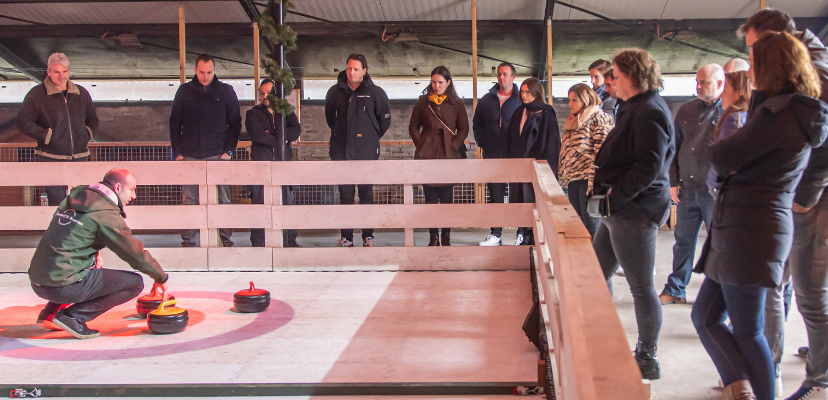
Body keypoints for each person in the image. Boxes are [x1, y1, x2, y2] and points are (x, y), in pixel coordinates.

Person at [691, 31, 826, 400]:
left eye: (754, 63)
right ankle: (744, 385)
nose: (749, 72)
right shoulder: (783, 110)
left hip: (752, 230)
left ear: (771, 67)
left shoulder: (780, 115)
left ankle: (761, 393)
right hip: (740, 227)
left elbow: (721, 157)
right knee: (704, 318)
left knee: (749, 331)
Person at [739, 9, 828, 400]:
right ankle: (767, 373)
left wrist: (806, 198)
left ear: (773, 39)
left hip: (809, 198)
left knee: (810, 294)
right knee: (773, 285)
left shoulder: (815, 68)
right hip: (784, 194)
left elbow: (822, 139)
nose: (752, 57)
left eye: (755, 47)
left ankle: (819, 381)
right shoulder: (785, 67)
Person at [592, 48, 675, 380]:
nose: (611, 80)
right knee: (595, 272)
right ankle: (598, 332)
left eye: (615, 74)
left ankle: (647, 355)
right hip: (619, 210)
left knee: (641, 286)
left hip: (634, 210)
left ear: (633, 76)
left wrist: (616, 196)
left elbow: (649, 167)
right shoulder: (635, 107)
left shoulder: (650, 111)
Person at [29, 168, 169, 339]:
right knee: (134, 283)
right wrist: (159, 277)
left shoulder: (77, 197)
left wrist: (94, 251)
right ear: (118, 187)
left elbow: (68, 232)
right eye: (132, 190)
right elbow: (133, 251)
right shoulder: (105, 214)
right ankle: (73, 317)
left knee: (89, 265)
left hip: (38, 279)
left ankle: (49, 314)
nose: (134, 196)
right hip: (60, 286)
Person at [659, 64, 725, 305]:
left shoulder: (730, 111)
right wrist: (673, 182)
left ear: (719, 84)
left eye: (704, 82)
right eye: (697, 81)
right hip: (687, 188)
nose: (698, 86)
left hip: (714, 192)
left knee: (718, 245)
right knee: (682, 243)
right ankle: (675, 289)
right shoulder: (686, 110)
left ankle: (719, 297)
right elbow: (674, 148)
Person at [169, 54, 241, 248]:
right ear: (195, 70)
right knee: (191, 199)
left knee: (222, 198)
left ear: (214, 70)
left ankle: (225, 240)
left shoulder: (226, 91)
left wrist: (229, 151)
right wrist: (177, 152)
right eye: (201, 72)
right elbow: (175, 121)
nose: (205, 76)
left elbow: (235, 122)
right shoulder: (184, 91)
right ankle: (188, 241)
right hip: (189, 153)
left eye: (209, 72)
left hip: (218, 153)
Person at [325, 53, 391, 248]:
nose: (351, 72)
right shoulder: (335, 92)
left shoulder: (375, 92)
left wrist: (370, 139)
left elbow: (384, 121)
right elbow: (331, 119)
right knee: (345, 194)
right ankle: (346, 237)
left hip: (366, 152)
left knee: (366, 194)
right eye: (349, 68)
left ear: (364, 70)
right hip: (341, 150)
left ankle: (368, 236)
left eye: (355, 69)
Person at [16, 53, 99, 206]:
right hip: (50, 156)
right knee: (56, 200)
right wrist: (45, 135)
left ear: (69, 71)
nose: (61, 76)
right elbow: (23, 122)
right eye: (56, 72)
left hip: (80, 155)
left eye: (65, 71)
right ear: (48, 72)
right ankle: (60, 229)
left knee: (81, 199)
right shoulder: (36, 94)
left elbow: (92, 119)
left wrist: (86, 134)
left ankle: (78, 230)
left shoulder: (81, 94)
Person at [409, 66, 469, 246]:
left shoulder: (457, 103)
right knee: (430, 197)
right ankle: (433, 236)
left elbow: (464, 128)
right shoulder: (423, 102)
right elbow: (413, 126)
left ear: (448, 82)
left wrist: (454, 144)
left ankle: (446, 235)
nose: (436, 86)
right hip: (427, 154)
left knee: (447, 198)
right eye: (434, 82)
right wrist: (422, 144)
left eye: (440, 82)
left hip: (448, 154)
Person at [501, 78, 560, 246]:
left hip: (537, 166)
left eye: (528, 92)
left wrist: (546, 169)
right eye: (523, 92)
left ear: (536, 93)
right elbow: (510, 139)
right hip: (519, 166)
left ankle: (535, 239)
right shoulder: (519, 112)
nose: (524, 95)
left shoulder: (546, 113)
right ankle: (524, 235)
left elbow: (551, 143)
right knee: (521, 201)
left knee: (535, 202)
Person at [245, 78, 301, 247]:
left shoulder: (285, 111)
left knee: (287, 203)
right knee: (259, 203)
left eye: (268, 92)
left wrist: (272, 135)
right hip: (261, 167)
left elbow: (296, 130)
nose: (265, 96)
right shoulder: (253, 114)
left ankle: (289, 240)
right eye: (262, 93)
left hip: (283, 165)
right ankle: (258, 243)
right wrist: (281, 138)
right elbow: (257, 136)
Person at [474, 62, 522, 247]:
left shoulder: (521, 99)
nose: (502, 77)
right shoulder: (486, 100)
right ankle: (496, 234)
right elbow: (477, 124)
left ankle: (521, 233)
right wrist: (483, 143)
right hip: (492, 155)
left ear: (513, 77)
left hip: (515, 156)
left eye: (505, 74)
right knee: (495, 195)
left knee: (518, 195)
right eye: (500, 74)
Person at [559, 83, 613, 237]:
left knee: (592, 226)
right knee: (577, 224)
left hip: (590, 180)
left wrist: (597, 185)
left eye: (574, 100)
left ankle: (596, 260)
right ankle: (581, 259)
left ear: (585, 99)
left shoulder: (600, 118)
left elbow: (603, 154)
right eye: (569, 100)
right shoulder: (572, 120)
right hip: (573, 179)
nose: (570, 104)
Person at [706, 71, 752, 195]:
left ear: (738, 93)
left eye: (725, 90)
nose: (721, 95)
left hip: (727, 191)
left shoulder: (733, 120)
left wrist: (712, 184)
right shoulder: (751, 115)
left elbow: (722, 160)